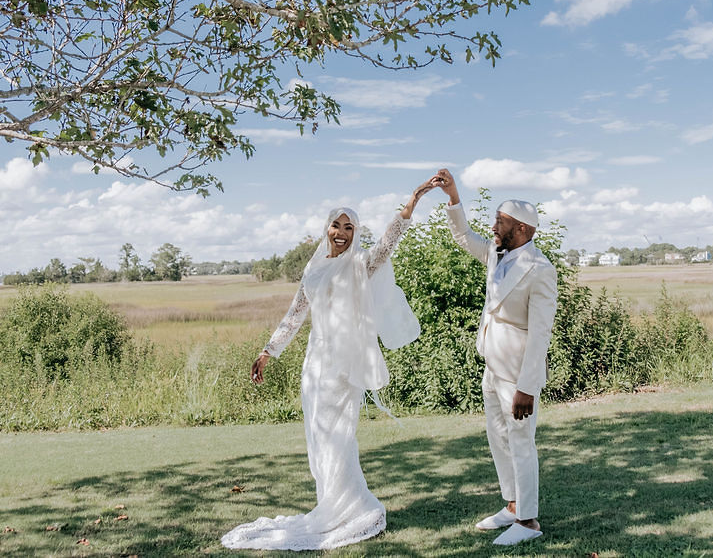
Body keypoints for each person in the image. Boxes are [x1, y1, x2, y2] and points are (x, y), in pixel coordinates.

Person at [221, 180, 435, 551]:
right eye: (336, 225)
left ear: (355, 233)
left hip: (343, 365)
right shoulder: (314, 269)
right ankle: (329, 505)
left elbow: (386, 245)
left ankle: (355, 508)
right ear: (327, 228)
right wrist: (268, 351)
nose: (341, 233)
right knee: (318, 440)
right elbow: (295, 315)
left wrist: (412, 202)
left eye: (349, 227)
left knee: (339, 438)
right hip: (314, 365)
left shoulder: (360, 265)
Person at [432, 167, 557, 547]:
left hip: (518, 374)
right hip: (491, 364)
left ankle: (530, 521)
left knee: (521, 441)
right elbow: (461, 236)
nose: (494, 226)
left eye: (500, 221)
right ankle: (513, 505)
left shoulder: (539, 270)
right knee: (498, 439)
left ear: (521, 228)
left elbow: (540, 334)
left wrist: (527, 387)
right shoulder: (494, 254)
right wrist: (453, 196)